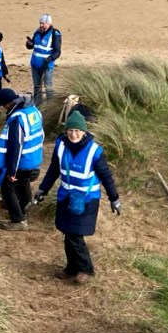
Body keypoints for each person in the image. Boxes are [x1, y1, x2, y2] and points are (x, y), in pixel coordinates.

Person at [34, 111, 121, 284]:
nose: (73, 134)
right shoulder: (60, 145)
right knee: (68, 233)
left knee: (75, 235)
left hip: (87, 200)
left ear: (84, 132)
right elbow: (53, 169)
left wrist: (114, 198)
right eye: (70, 130)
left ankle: (85, 270)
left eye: (77, 131)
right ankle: (71, 268)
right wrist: (43, 189)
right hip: (66, 197)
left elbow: (106, 176)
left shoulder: (94, 151)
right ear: (66, 131)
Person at [0, 88, 45, 230]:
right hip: (34, 157)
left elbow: (15, 146)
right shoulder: (33, 111)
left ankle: (18, 220)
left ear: (8, 103)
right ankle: (25, 208)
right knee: (24, 183)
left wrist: (11, 171)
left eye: (3, 105)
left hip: (23, 160)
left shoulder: (17, 119)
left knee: (7, 187)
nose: (3, 108)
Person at [25, 14, 62, 105]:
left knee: (48, 86)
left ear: (48, 23)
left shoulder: (55, 34)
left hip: (46, 65)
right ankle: (38, 105)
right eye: (40, 23)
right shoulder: (37, 32)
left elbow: (57, 51)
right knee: (37, 86)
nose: (41, 25)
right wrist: (29, 44)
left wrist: (50, 59)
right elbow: (33, 45)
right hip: (35, 64)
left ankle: (51, 106)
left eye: (43, 23)